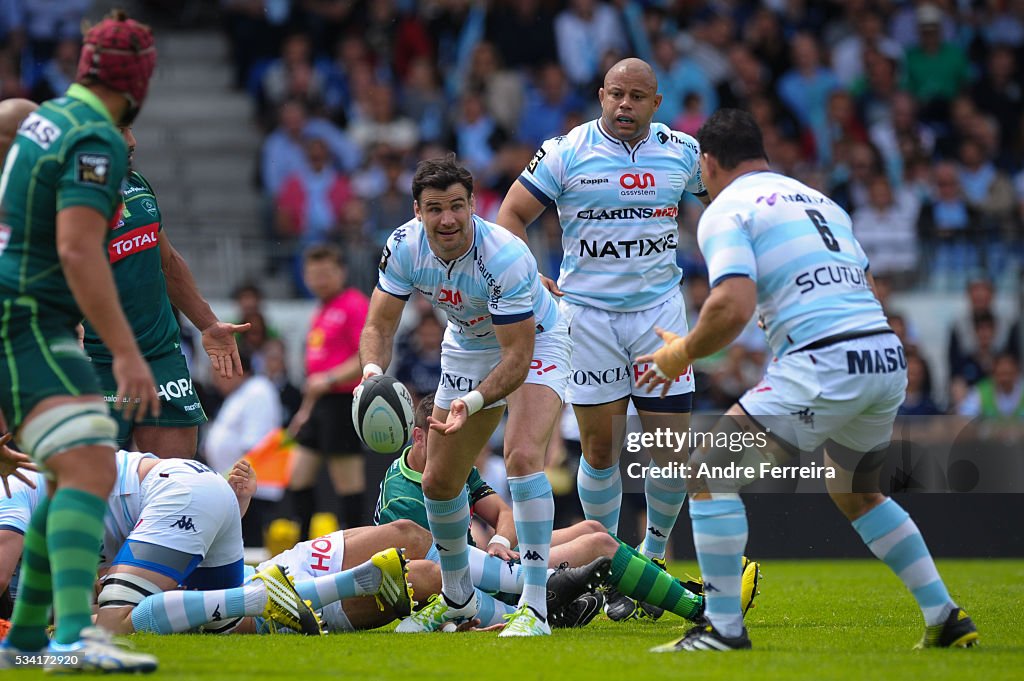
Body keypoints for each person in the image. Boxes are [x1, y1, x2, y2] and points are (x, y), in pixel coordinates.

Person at [637, 108, 977, 652]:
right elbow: (865, 286)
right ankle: (945, 616)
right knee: (856, 493)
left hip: (824, 363)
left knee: (707, 474)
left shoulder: (727, 210)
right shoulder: (822, 202)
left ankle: (722, 630)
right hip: (884, 359)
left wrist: (680, 352)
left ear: (707, 161)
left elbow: (730, 305)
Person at [496, 57, 710, 618]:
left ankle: (653, 559)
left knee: (668, 451)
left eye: (637, 97)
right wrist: (526, 272)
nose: (624, 106)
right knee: (599, 449)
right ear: (600, 94)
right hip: (586, 318)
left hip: (658, 317)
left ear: (655, 103)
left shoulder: (683, 153)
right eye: (616, 94)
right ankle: (605, 565)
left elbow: (725, 202)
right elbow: (511, 214)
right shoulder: (565, 151)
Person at [0, 12, 163, 672]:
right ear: (141, 80)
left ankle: (30, 640)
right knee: (92, 464)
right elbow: (75, 246)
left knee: (73, 468)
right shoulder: (96, 135)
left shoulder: (51, 116)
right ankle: (72, 635)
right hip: (30, 318)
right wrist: (126, 351)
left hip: (26, 315)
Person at [360, 155, 571, 636]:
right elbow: (379, 324)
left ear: (474, 205)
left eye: (458, 205)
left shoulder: (505, 256)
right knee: (438, 482)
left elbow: (517, 358)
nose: (448, 218)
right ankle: (458, 602)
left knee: (521, 457)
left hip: (537, 340)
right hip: (465, 346)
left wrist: (472, 402)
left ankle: (534, 608)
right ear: (417, 211)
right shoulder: (403, 246)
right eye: (435, 208)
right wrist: (372, 376)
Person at [375, 394, 759, 629]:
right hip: (471, 584)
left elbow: (502, 514)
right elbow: (429, 569)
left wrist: (498, 540)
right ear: (419, 435)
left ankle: (598, 596)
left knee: (592, 527)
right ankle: (700, 608)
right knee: (599, 546)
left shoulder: (449, 464)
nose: (458, 449)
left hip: (482, 560)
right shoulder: (404, 496)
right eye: (445, 439)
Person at [83, 125, 249, 458]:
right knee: (92, 497)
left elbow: (169, 263)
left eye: (130, 128)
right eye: (119, 131)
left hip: (161, 358)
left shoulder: (138, 185)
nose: (132, 140)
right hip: (98, 365)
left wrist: (208, 324)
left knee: (178, 486)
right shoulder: (67, 206)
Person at [288, 244, 370, 538]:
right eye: (313, 274)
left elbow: (366, 355)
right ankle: (302, 548)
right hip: (319, 402)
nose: (319, 280)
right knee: (297, 477)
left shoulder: (353, 304)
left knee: (348, 483)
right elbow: (314, 375)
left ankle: (357, 545)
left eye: (325, 273)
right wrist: (304, 411)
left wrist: (331, 378)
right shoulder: (321, 310)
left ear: (341, 273)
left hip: (343, 401)